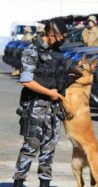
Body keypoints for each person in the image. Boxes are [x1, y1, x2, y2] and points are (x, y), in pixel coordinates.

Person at [12, 18, 69, 187]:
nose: (61, 42)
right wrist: (49, 93)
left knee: (49, 147)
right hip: (35, 107)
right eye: (59, 38)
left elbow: (58, 78)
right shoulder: (32, 50)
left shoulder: (56, 53)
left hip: (53, 108)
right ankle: (19, 181)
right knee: (31, 146)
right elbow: (27, 80)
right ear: (51, 34)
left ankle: (45, 182)